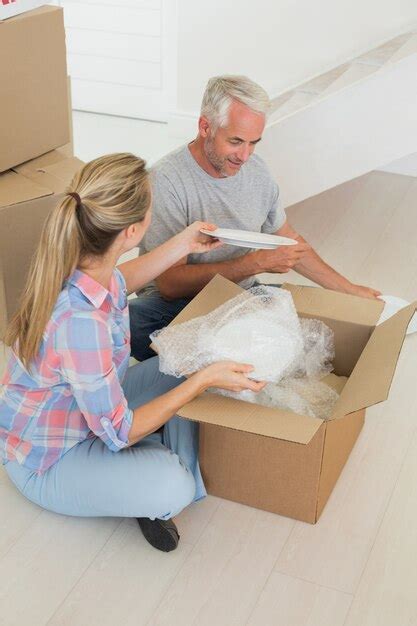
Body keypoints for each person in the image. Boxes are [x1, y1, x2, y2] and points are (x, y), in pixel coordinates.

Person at [0, 153, 266, 552]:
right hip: (51, 459)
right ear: (132, 231)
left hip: (89, 417)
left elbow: (124, 280)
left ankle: (141, 462)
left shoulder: (82, 267)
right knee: (171, 486)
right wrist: (202, 383)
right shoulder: (80, 324)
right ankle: (150, 474)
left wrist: (183, 243)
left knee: (184, 363)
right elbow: (119, 432)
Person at [129, 75, 381, 361]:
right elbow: (170, 285)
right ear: (205, 127)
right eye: (235, 141)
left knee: (319, 329)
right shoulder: (167, 181)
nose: (244, 155)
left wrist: (349, 290)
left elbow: (290, 240)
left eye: (253, 143)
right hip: (176, 307)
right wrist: (254, 264)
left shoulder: (257, 172)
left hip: (239, 297)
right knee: (130, 322)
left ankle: (224, 357)